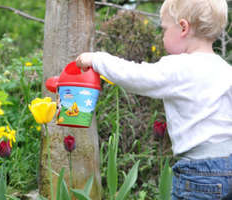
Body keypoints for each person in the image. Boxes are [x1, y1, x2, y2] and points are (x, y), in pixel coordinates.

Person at [76, 0, 231, 199]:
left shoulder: (179, 67)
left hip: (199, 172)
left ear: (183, 27)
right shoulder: (225, 70)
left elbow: (136, 76)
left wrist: (97, 60)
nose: (162, 35)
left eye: (164, 29)